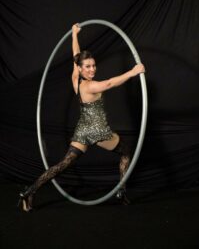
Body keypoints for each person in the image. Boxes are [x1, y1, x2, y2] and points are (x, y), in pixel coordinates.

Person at [18, 23, 145, 212]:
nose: (92, 69)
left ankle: (30, 191)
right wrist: (133, 72)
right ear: (81, 68)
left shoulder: (75, 78)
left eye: (93, 65)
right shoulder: (89, 86)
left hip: (83, 130)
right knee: (126, 152)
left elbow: (76, 56)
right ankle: (122, 191)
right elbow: (110, 83)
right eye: (88, 67)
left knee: (63, 164)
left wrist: (74, 34)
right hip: (98, 131)